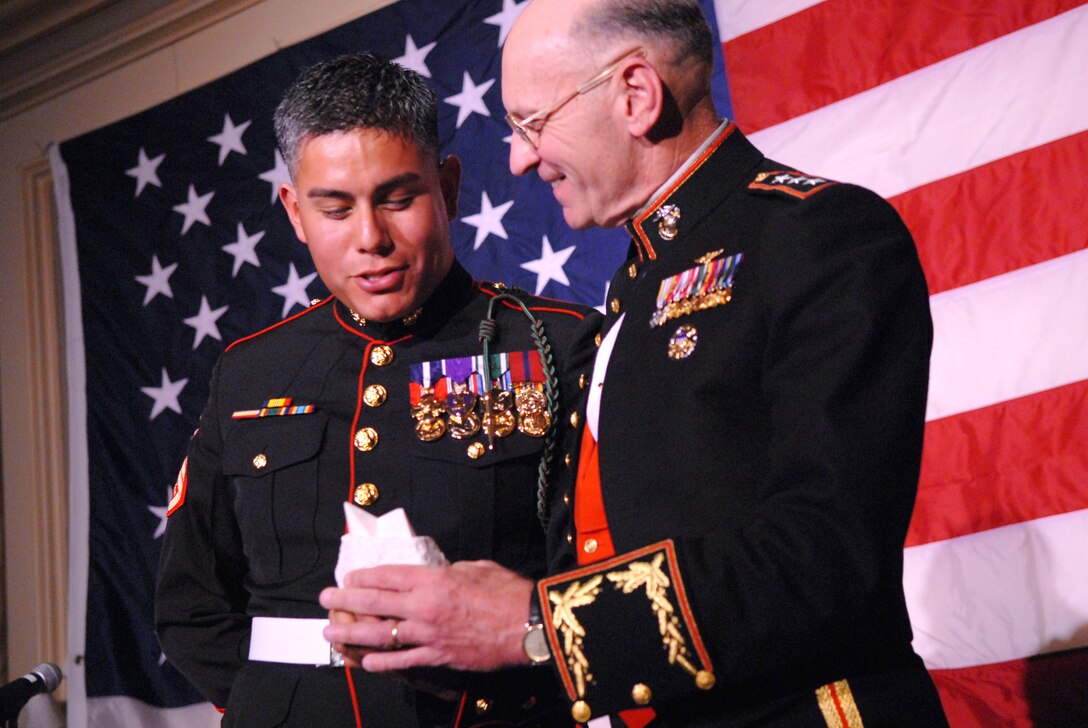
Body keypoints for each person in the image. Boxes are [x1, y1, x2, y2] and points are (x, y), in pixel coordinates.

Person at [319, 1, 952, 727]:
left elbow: (827, 559)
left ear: (635, 95)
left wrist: (535, 622)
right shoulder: (631, 289)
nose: (522, 158)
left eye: (531, 122)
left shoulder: (817, 237)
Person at [154, 52, 601, 727]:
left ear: (447, 188)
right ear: (294, 213)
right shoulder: (250, 372)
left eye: (397, 199)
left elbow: (609, 573)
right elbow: (190, 605)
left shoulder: (560, 346)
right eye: (334, 209)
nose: (371, 239)